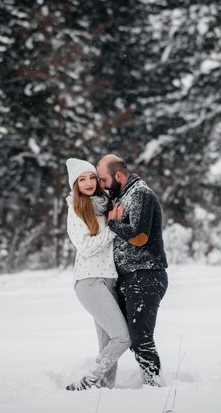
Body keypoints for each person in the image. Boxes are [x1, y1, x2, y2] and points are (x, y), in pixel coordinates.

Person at [96, 154, 168, 386]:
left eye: (104, 180)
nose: (102, 185)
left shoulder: (139, 194)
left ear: (118, 175)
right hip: (131, 277)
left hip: (145, 275)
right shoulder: (124, 195)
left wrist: (113, 224)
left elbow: (139, 238)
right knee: (125, 338)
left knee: (141, 340)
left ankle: (154, 387)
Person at [64, 158, 131, 391]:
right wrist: (113, 228)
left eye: (92, 177)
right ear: (76, 184)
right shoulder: (76, 209)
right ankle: (89, 380)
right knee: (123, 338)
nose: (89, 182)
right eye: (82, 179)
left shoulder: (105, 205)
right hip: (89, 281)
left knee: (108, 344)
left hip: (110, 279)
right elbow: (87, 247)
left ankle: (104, 391)